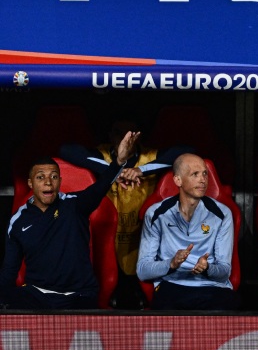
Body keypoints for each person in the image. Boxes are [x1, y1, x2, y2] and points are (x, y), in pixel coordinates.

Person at [60, 119, 194, 309]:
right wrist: (114, 170)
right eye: (118, 133)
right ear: (110, 136)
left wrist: (142, 170)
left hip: (140, 232)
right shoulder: (103, 154)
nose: (124, 139)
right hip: (109, 231)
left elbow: (187, 151)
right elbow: (66, 150)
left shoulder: (149, 156)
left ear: (137, 136)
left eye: (129, 134)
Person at [0, 131, 139, 310]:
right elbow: (9, 272)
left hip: (79, 296)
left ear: (60, 181)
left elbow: (99, 188)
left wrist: (119, 162)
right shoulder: (18, 221)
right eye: (40, 177)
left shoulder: (75, 204)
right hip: (37, 296)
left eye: (54, 177)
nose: (48, 183)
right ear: (30, 183)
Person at [136, 153, 238, 311]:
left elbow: (224, 271)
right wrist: (171, 263)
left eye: (205, 173)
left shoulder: (222, 214)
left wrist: (207, 268)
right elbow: (143, 271)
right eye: (195, 174)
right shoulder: (156, 214)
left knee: (230, 305)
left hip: (212, 287)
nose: (203, 179)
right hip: (172, 286)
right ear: (178, 180)